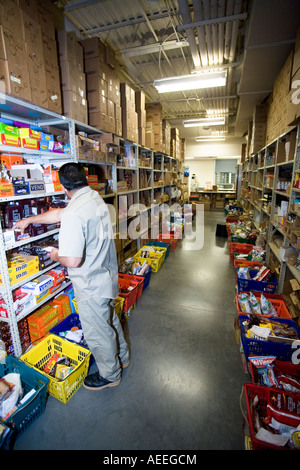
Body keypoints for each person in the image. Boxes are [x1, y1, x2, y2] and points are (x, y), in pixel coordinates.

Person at [12, 162, 129, 391]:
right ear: (85, 179)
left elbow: (73, 260)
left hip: (90, 284)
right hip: (106, 277)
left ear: (63, 186)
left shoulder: (75, 213)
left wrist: (56, 255)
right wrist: (30, 220)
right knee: (110, 321)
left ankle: (110, 374)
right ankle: (122, 357)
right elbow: (58, 213)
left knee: (98, 331)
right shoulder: (95, 200)